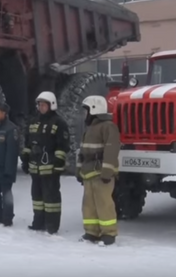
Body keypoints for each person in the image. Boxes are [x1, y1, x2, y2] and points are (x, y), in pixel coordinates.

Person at [21, 91, 70, 235]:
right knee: (37, 197)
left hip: (50, 168)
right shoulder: (33, 122)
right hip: (35, 168)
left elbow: (63, 145)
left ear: (51, 105)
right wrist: (25, 159)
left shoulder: (59, 123)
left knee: (51, 199)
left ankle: (52, 225)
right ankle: (38, 222)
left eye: (44, 105)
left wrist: (58, 163)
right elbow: (28, 143)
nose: (41, 107)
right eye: (39, 105)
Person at [77, 95, 120, 246]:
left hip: (101, 173)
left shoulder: (108, 127)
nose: (85, 114)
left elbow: (111, 150)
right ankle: (92, 232)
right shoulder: (89, 129)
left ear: (95, 109)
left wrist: (107, 172)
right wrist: (79, 170)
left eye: (86, 110)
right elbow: (82, 152)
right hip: (88, 172)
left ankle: (108, 234)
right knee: (88, 204)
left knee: (104, 203)